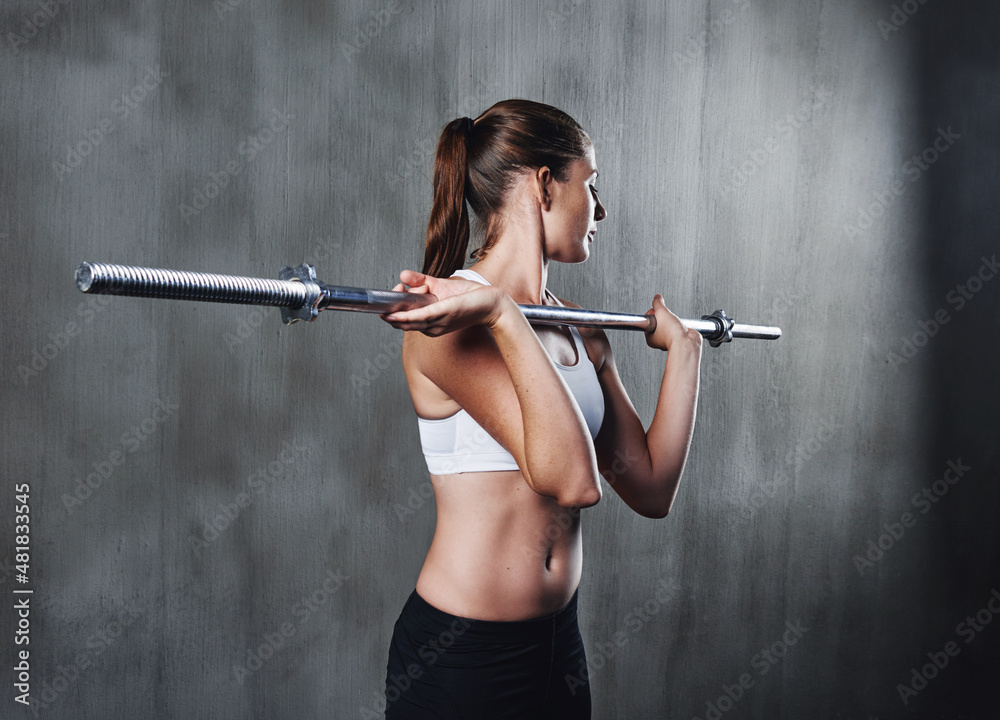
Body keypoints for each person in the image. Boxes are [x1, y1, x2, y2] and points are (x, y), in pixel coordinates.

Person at [377, 99, 703, 719]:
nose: (601, 210)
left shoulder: (581, 331)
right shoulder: (446, 324)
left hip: (558, 644)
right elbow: (571, 481)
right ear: (545, 184)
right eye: (592, 185)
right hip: (464, 654)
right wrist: (500, 311)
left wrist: (684, 355)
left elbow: (653, 489)